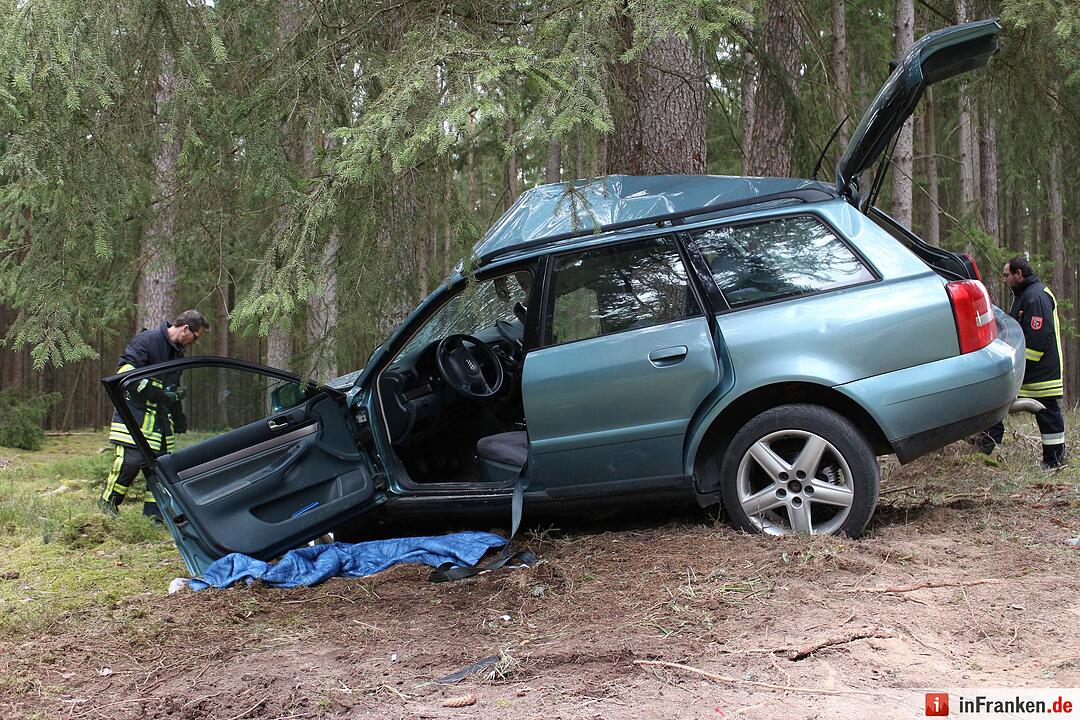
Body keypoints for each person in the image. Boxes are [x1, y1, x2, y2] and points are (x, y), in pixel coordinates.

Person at [99, 310, 209, 518]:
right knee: (130, 462)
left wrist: (178, 415)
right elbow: (125, 371)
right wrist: (154, 391)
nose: (195, 342)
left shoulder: (179, 354)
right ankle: (108, 504)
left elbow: (171, 390)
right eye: (196, 337)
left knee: (160, 469)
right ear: (186, 329)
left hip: (160, 424)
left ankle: (155, 516)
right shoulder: (147, 340)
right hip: (135, 417)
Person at [975, 258, 1066, 468]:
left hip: (1042, 373)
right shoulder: (1024, 295)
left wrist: (1019, 365)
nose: (1004, 279)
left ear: (1019, 273)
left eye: (1007, 275)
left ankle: (1054, 461)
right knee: (995, 402)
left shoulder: (1036, 296)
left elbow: (1038, 335)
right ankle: (985, 450)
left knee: (1048, 414)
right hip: (1029, 370)